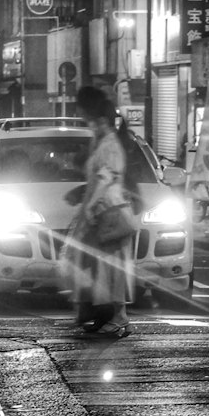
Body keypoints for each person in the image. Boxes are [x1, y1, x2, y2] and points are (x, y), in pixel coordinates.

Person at [63, 84, 135, 338]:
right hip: (101, 211)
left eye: (86, 115)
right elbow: (97, 178)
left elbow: (105, 179)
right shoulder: (101, 141)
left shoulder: (110, 144)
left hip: (109, 214)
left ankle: (118, 319)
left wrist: (90, 206)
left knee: (112, 269)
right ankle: (104, 316)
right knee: (101, 267)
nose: (87, 122)